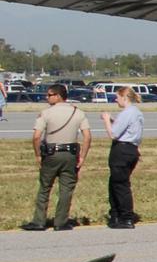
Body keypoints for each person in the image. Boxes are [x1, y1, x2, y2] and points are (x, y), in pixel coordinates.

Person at [23, 83, 90, 230]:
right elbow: (87, 136)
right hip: (71, 154)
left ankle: (39, 221)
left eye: (49, 95)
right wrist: (83, 156)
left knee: (45, 187)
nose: (47, 98)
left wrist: (38, 155)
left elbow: (36, 137)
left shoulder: (46, 113)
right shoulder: (78, 112)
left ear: (58, 96)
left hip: (51, 154)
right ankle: (61, 222)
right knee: (66, 189)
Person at [101, 86, 143, 229]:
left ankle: (126, 217)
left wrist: (107, 120)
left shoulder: (127, 112)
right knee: (115, 182)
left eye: (117, 97)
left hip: (122, 150)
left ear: (125, 97)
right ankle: (116, 214)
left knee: (120, 185)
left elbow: (113, 134)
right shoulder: (136, 112)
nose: (115, 100)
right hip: (131, 149)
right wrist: (114, 120)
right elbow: (129, 130)